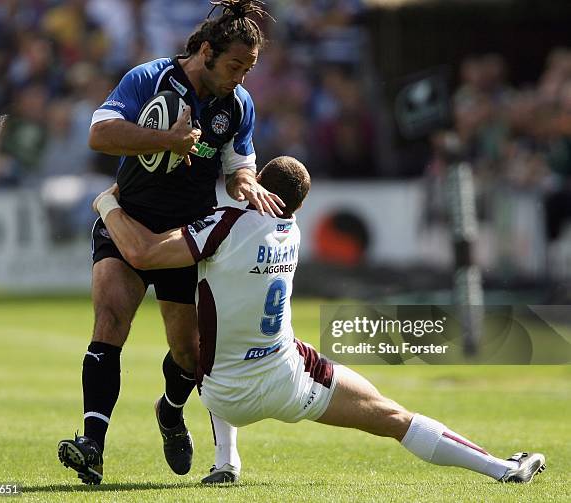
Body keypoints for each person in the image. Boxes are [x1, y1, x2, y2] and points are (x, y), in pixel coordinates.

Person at [91, 155, 546, 485]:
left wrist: (108, 204)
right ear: (298, 205)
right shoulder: (292, 231)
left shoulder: (221, 226)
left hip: (222, 395)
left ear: (257, 187)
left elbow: (142, 252)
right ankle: (502, 469)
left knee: (213, 337)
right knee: (393, 416)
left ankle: (226, 461)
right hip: (289, 384)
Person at [57, 0, 284, 485]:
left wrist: (247, 184)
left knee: (189, 353)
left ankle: (170, 410)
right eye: (234, 66)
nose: (241, 77)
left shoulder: (238, 105)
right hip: (129, 220)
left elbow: (238, 163)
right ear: (206, 51)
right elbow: (100, 134)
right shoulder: (149, 79)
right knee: (110, 319)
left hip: (184, 236)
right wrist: (166, 141)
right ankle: (91, 446)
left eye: (249, 68)